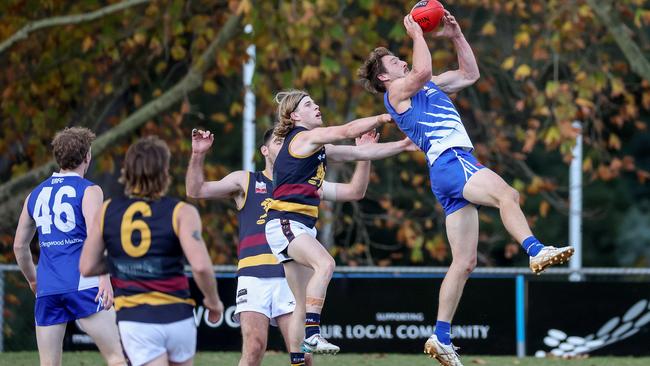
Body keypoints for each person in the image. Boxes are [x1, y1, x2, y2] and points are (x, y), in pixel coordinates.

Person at [357, 11, 575, 366]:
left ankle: (441, 336)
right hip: (452, 160)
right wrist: (417, 34)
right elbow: (422, 71)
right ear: (384, 76)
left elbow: (470, 74)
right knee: (508, 195)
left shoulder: (426, 86)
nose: (401, 61)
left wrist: (456, 35)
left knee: (464, 262)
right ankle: (535, 250)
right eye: (394, 61)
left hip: (445, 172)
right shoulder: (396, 90)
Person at [186, 127, 387, 366]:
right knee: (253, 349)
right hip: (254, 276)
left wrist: (363, 154)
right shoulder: (247, 180)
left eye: (288, 142)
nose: (285, 146)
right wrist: (198, 154)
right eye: (278, 142)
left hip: (289, 277)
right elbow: (196, 190)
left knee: (303, 356)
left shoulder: (306, 183)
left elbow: (354, 192)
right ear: (265, 150)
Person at [267, 90, 418, 366]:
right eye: (308, 104)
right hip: (286, 221)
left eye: (315, 101)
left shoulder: (317, 148)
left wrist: (404, 146)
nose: (317, 106)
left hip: (296, 225)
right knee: (325, 264)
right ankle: (313, 333)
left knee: (300, 304)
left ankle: (298, 362)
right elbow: (347, 130)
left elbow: (360, 152)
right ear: (294, 116)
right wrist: (385, 116)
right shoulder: (303, 137)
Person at [79, 136, 224, 366]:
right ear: (165, 171)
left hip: (137, 320)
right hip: (178, 315)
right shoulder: (182, 211)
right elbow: (201, 266)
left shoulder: (107, 210)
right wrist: (213, 302)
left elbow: (86, 267)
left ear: (126, 170)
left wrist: (121, 262)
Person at [12, 127, 126, 366]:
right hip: (84, 284)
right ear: (87, 157)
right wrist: (104, 278)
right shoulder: (89, 190)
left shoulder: (36, 194)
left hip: (48, 289)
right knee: (118, 358)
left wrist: (34, 280)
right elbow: (97, 235)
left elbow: (19, 246)